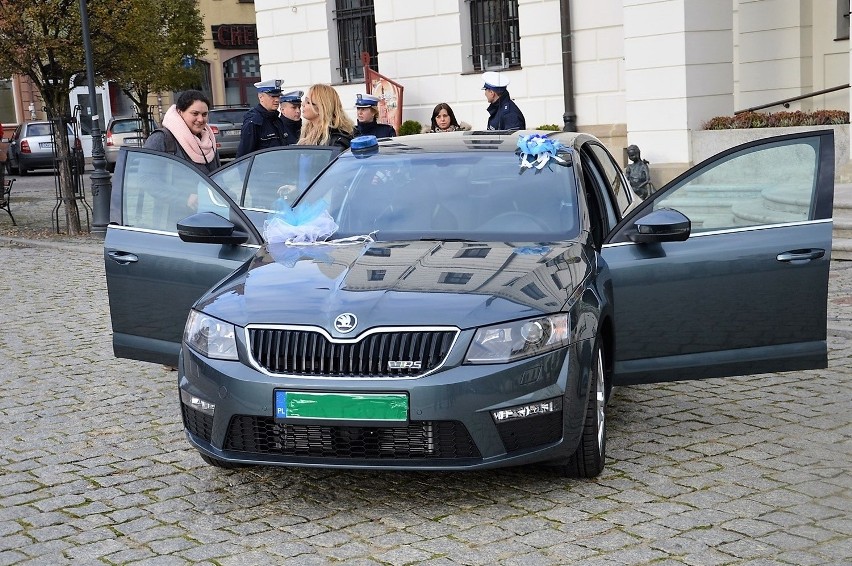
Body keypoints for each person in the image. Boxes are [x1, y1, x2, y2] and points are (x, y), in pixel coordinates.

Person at [144, 89, 220, 174]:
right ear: (180, 112)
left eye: (204, 114)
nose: (200, 119)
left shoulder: (210, 140)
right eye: (195, 114)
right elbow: (146, 179)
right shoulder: (161, 139)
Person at [236, 79, 289, 157]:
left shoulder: (277, 120)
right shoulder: (254, 122)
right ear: (261, 97)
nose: (277, 100)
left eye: (278, 96)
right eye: (272, 96)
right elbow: (243, 156)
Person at [297, 84, 355, 149]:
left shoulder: (337, 140)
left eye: (308, 102)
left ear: (321, 108)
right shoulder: (307, 131)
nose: (302, 104)